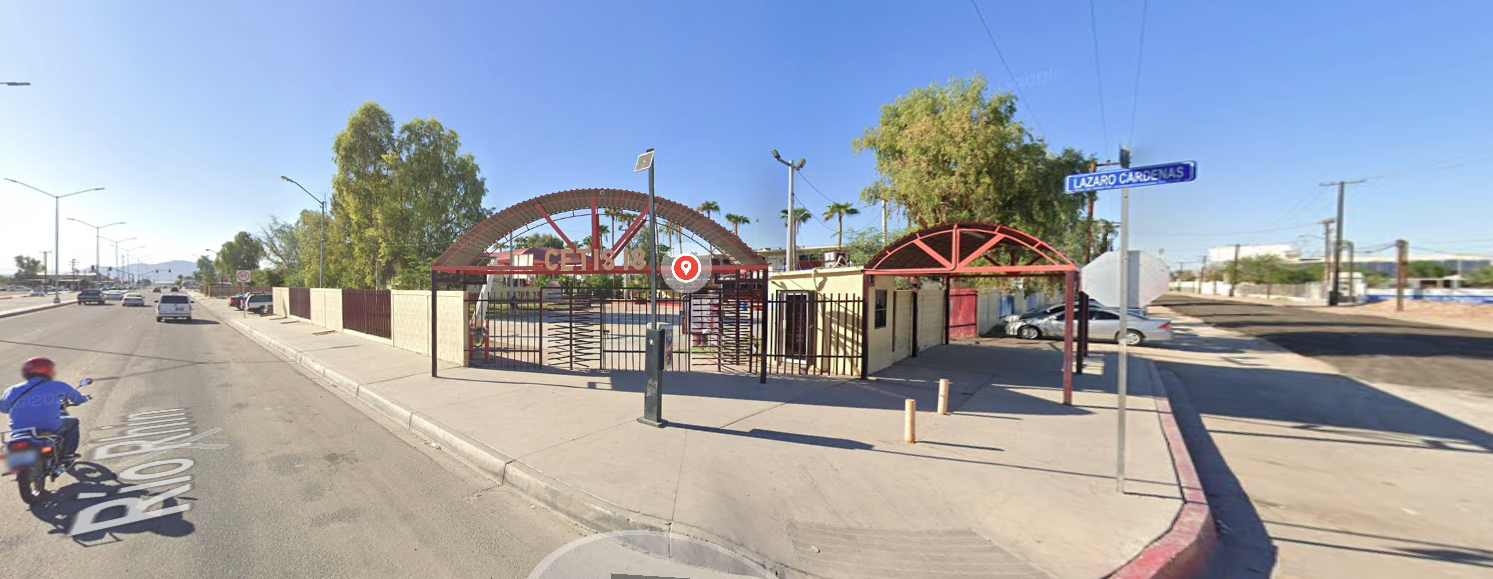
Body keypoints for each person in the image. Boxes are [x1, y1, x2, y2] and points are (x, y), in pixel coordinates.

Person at [0, 357, 90, 460]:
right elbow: (78, 399)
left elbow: (4, 408)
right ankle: (68, 453)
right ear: (48, 370)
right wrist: (85, 398)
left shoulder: (11, 390)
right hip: (50, 426)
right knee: (73, 422)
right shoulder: (58, 385)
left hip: (19, 430)